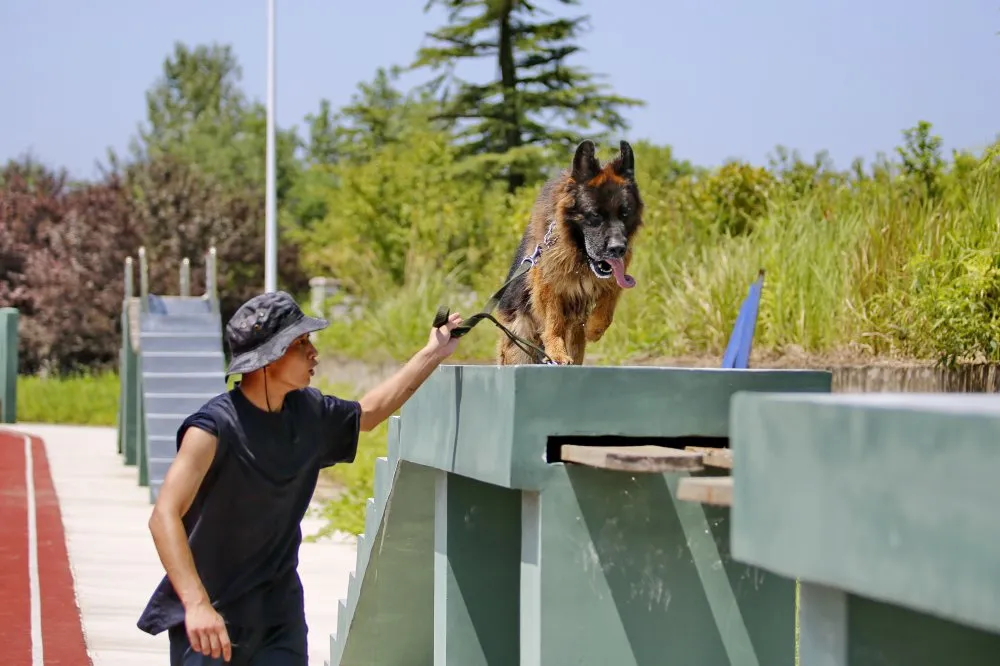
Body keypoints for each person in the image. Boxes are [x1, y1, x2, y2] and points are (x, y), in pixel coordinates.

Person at [136, 290, 463, 665]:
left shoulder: (310, 415)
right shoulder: (212, 430)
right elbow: (164, 516)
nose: (314, 353)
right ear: (267, 359)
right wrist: (196, 604)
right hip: (212, 616)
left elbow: (370, 412)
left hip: (279, 615)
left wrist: (434, 352)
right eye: (300, 343)